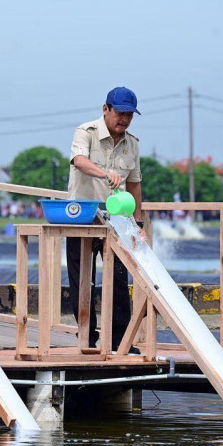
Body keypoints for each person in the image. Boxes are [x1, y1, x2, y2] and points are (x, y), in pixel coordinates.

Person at [65, 87, 143, 353]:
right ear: (105, 109)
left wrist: (138, 224)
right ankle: (87, 336)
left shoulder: (132, 143)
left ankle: (120, 341)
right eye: (120, 113)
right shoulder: (85, 133)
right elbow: (79, 161)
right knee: (83, 279)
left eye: (129, 115)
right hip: (83, 216)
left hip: (116, 219)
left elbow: (135, 185)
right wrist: (104, 173)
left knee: (119, 280)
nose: (124, 120)